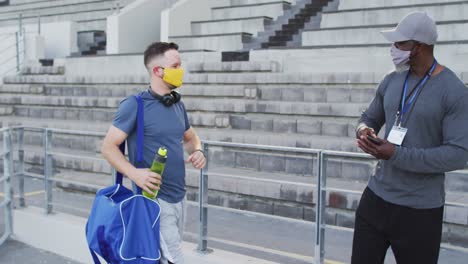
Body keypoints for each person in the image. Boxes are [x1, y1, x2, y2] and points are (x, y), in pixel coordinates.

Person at [352, 12, 468, 264]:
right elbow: (368, 117)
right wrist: (364, 131)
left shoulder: (455, 92)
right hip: (375, 199)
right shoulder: (391, 80)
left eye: (400, 43)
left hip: (419, 211)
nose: (393, 48)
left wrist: (395, 154)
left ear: (419, 46)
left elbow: (459, 154)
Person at [101, 42, 206, 264]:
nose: (181, 70)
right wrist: (134, 174)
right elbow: (108, 147)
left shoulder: (177, 104)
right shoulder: (134, 105)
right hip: (154, 199)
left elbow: (190, 137)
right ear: (158, 71)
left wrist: (197, 150)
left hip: (180, 196)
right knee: (174, 258)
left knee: (161, 257)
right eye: (175, 65)